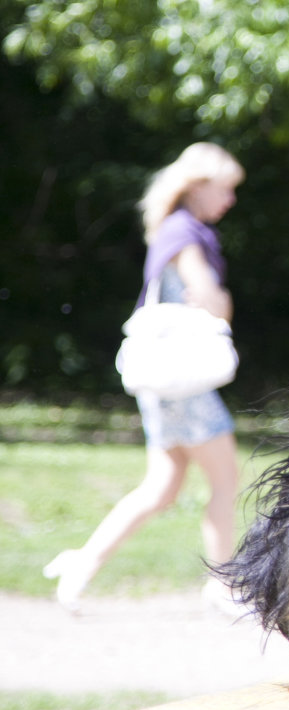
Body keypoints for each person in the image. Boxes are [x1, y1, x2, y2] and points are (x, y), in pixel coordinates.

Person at [44, 143, 245, 613]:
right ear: (199, 185)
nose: (231, 200)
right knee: (224, 479)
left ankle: (82, 564)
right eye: (226, 188)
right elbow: (208, 296)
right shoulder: (186, 232)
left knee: (163, 486)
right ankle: (221, 584)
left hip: (159, 380)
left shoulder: (169, 230)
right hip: (184, 381)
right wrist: (223, 307)